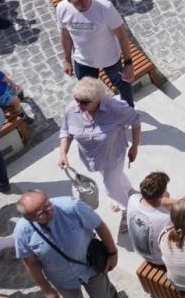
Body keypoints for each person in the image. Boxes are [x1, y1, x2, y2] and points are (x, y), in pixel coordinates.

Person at [58, 77, 140, 213]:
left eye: (84, 102)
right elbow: (66, 131)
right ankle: (127, 189)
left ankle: (128, 210)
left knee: (110, 189)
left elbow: (135, 120)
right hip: (93, 158)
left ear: (98, 99)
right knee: (114, 178)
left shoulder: (115, 108)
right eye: (76, 99)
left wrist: (135, 145)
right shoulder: (72, 109)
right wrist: (63, 153)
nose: (78, 105)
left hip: (114, 154)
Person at [56, 0, 138, 106]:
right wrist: (67, 60)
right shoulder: (62, 9)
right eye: (78, 2)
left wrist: (128, 63)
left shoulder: (105, 8)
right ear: (69, 1)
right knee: (88, 92)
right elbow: (65, 35)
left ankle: (129, 112)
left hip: (110, 58)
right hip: (83, 60)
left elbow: (122, 36)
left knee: (122, 84)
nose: (84, 3)